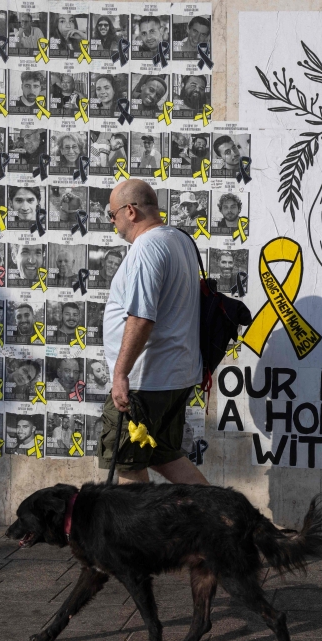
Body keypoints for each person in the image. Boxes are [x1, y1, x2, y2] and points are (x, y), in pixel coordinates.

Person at [99, 179, 208, 484]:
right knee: (166, 456)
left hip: (146, 381)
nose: (113, 222)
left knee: (128, 463)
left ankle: (136, 533)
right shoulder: (180, 239)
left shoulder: (147, 247)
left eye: (112, 215)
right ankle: (229, 521)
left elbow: (142, 318)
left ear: (130, 211)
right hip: (175, 375)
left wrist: (121, 374)